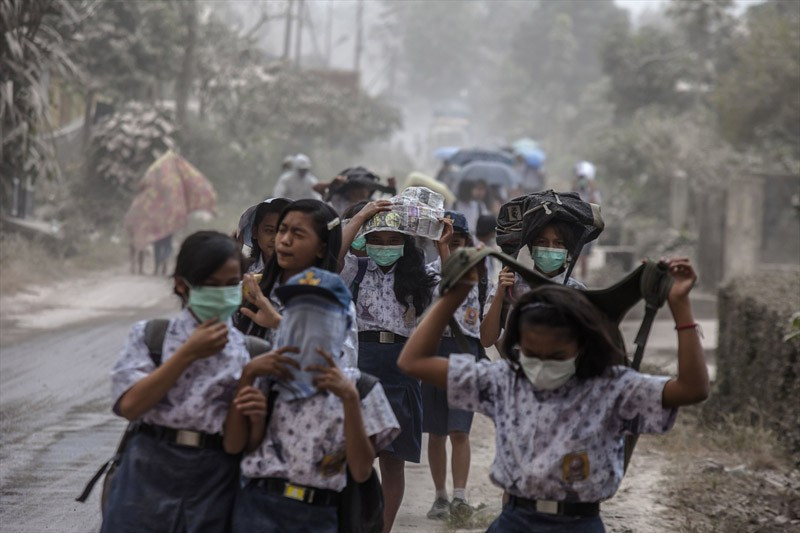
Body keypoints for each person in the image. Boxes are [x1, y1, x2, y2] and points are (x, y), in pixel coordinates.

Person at [397, 257, 709, 532]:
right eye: (532, 353)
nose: (542, 365)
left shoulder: (612, 388)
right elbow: (413, 361)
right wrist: (455, 295)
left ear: (583, 346)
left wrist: (681, 306)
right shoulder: (505, 381)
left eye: (557, 355)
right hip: (515, 520)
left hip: (581, 523)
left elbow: (692, 388)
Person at [225, 267, 400, 533]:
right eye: (297, 313)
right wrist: (248, 380)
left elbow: (362, 470)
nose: (307, 324)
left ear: (342, 323)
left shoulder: (359, 388)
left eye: (320, 314)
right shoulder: (268, 375)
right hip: (258, 507)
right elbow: (238, 445)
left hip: (319, 513)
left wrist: (350, 402)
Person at [103, 231, 252, 532]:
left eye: (231, 284)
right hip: (148, 469)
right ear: (182, 284)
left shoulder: (249, 352)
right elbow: (130, 406)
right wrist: (186, 354)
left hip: (215, 477)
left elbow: (240, 440)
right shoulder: (151, 336)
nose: (223, 294)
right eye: (212, 285)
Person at [339, 199, 452, 533]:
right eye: (377, 240)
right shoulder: (354, 270)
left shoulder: (421, 277)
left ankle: (382, 529)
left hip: (401, 369)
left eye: (393, 240)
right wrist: (360, 217)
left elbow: (452, 291)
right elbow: (332, 259)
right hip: (360, 366)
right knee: (352, 458)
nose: (385, 247)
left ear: (405, 242)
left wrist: (443, 248)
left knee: (393, 461)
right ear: (365, 241)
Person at [234, 200, 359, 369]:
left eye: (298, 234)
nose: (284, 240)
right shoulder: (251, 290)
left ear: (321, 248)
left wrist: (279, 323)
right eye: (281, 230)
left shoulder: (334, 302)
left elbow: (341, 370)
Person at [422, 211, 488, 521]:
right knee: (436, 432)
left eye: (459, 241)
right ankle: (440, 496)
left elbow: (455, 282)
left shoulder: (473, 270)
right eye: (449, 241)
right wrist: (442, 248)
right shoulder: (425, 273)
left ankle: (460, 496)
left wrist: (446, 249)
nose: (453, 246)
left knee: (459, 430)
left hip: (462, 354)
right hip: (435, 352)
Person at [481, 221, 586, 349]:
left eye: (558, 243)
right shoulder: (511, 284)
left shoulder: (576, 291)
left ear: (567, 250)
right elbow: (486, 340)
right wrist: (500, 293)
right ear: (531, 248)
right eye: (542, 242)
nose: (550, 248)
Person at [314, 166, 397, 216]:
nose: (363, 191)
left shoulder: (373, 203)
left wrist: (391, 188)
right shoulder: (339, 201)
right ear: (350, 189)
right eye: (359, 187)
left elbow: (392, 208)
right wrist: (332, 183)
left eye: (366, 187)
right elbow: (316, 187)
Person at [238, 198, 292, 274]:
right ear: (255, 232)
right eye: (269, 231)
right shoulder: (244, 271)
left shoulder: (302, 272)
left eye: (282, 231)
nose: (276, 239)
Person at [573, 161, 602, 281]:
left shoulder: (594, 192)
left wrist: (591, 189)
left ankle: (583, 280)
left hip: (588, 227)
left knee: (584, 256)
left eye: (584, 178)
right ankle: (571, 278)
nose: (582, 181)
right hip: (575, 226)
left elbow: (595, 205)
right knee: (573, 254)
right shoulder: (575, 191)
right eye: (580, 178)